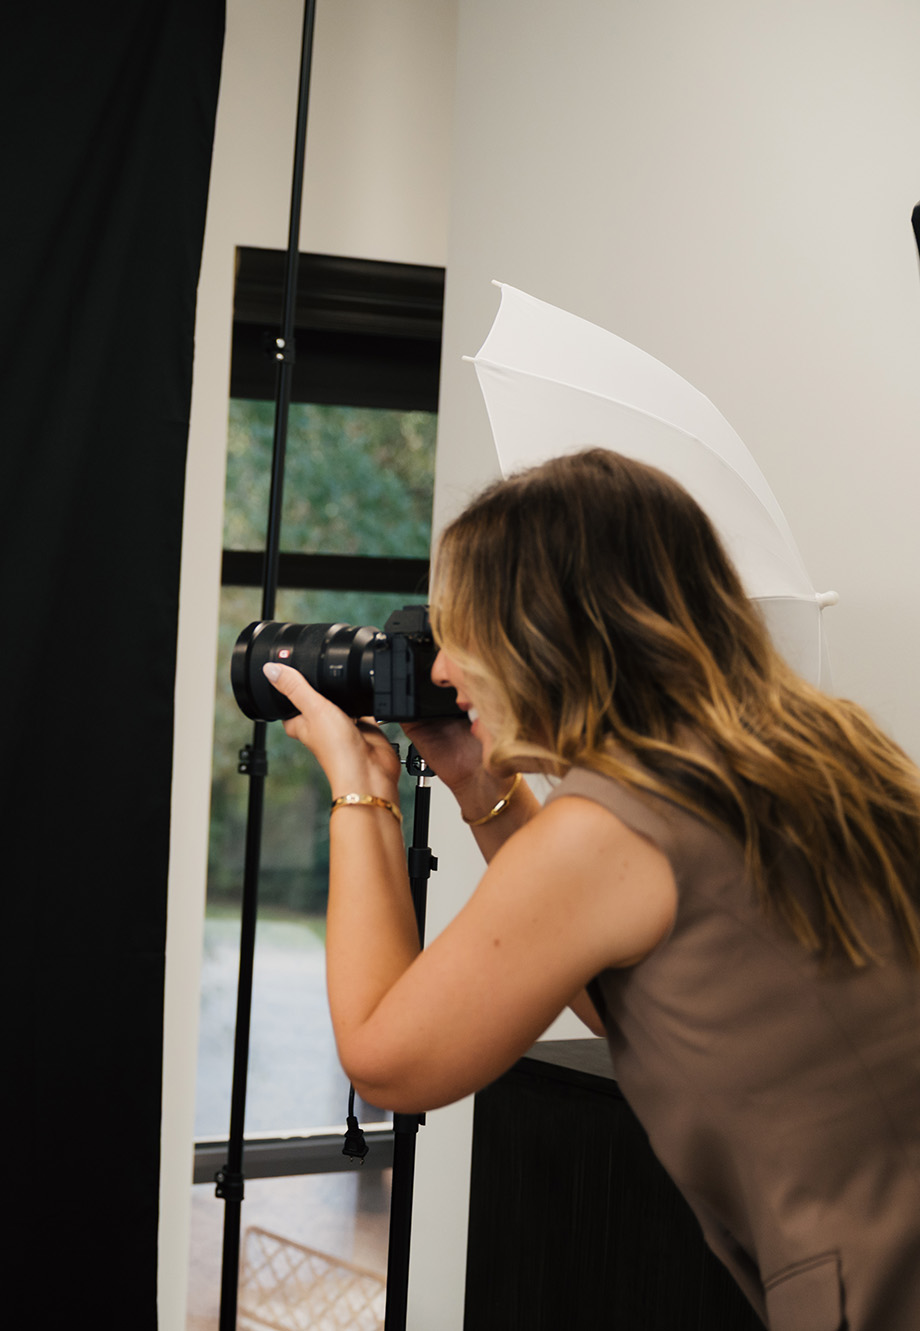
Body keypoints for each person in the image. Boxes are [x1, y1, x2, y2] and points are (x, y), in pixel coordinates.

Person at [263, 449, 920, 1331]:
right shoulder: (812, 754)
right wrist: (479, 784)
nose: (444, 671)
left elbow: (390, 1060)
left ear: (542, 632)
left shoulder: (618, 822)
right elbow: (639, 1005)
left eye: (462, 633)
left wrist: (360, 791)